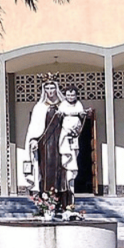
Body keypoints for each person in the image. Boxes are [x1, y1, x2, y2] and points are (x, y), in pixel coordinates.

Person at [25, 79, 68, 211]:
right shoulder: (39, 107)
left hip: (60, 143)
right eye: (47, 88)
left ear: (56, 89)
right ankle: (46, 200)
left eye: (52, 88)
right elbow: (34, 127)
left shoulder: (64, 105)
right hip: (45, 144)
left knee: (61, 171)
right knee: (46, 170)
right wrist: (33, 139)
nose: (50, 91)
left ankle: (62, 201)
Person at [57, 85, 93, 204]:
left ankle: (72, 179)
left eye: (73, 95)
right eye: (68, 95)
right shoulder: (62, 104)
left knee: (74, 156)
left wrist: (84, 114)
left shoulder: (78, 104)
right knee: (66, 155)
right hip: (65, 133)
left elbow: (81, 115)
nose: (71, 97)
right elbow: (59, 114)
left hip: (75, 135)